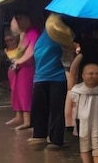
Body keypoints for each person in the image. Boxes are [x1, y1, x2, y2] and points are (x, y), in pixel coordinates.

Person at [28, 13, 72, 149]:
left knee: (48, 110)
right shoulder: (55, 36)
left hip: (48, 78)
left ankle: (47, 138)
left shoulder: (52, 36)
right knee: (49, 110)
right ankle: (48, 139)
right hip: (49, 78)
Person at [8, 12, 40, 130]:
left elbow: (31, 50)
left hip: (27, 67)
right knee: (16, 92)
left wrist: (19, 61)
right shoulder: (25, 33)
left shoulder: (32, 32)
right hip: (19, 67)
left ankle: (28, 120)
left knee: (25, 93)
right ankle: (19, 116)